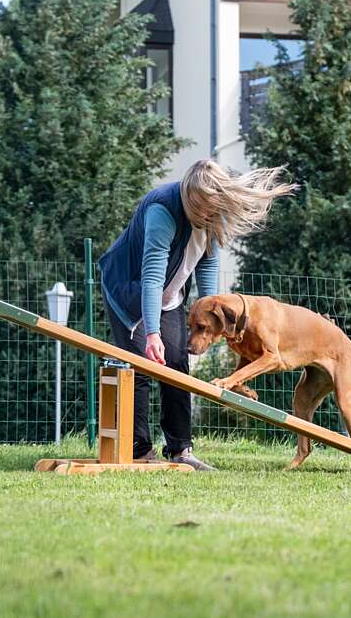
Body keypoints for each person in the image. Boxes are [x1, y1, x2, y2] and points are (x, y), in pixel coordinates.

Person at [99, 159, 297, 470]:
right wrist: (152, 333)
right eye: (200, 208)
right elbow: (152, 277)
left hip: (168, 296)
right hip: (129, 290)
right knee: (138, 365)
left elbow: (207, 266)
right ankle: (139, 449)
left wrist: (209, 312)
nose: (206, 214)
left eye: (211, 207)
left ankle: (181, 451)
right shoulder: (162, 211)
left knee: (177, 364)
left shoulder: (212, 216)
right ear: (189, 197)